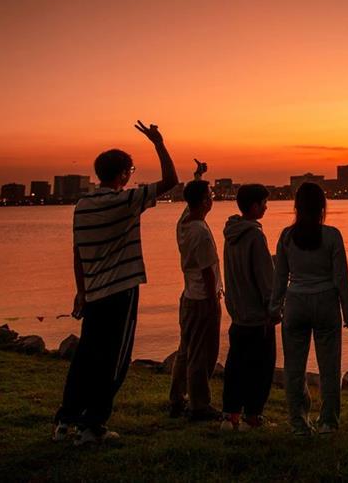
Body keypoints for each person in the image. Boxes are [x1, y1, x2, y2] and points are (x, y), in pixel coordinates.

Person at [53, 121, 178, 446]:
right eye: (131, 170)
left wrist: (81, 291)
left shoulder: (83, 206)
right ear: (122, 173)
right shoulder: (123, 201)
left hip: (93, 292)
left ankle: (66, 419)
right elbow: (171, 181)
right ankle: (93, 425)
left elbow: (78, 253)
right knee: (113, 359)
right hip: (120, 292)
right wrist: (159, 143)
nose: (132, 175)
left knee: (86, 356)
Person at [271, 182, 348, 436]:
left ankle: (298, 423)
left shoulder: (287, 236)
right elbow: (341, 277)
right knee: (330, 367)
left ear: (297, 207)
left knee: (294, 368)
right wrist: (347, 310)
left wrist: (275, 305)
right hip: (326, 302)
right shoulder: (332, 235)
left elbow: (280, 276)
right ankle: (328, 421)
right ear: (322, 207)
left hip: (296, 302)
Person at [169, 159, 222, 421]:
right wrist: (213, 303)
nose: (212, 199)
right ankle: (199, 405)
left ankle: (177, 397)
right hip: (202, 299)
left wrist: (199, 174)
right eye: (210, 196)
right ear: (204, 202)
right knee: (203, 354)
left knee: (185, 350)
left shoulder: (185, 222)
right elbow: (207, 272)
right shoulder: (200, 232)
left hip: (188, 296)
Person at [220, 183, 276, 431]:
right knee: (261, 368)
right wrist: (273, 308)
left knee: (236, 365)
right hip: (256, 316)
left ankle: (230, 415)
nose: (266, 207)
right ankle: (252, 416)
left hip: (238, 313)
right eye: (264, 203)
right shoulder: (254, 235)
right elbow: (264, 278)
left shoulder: (231, 234)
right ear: (254, 206)